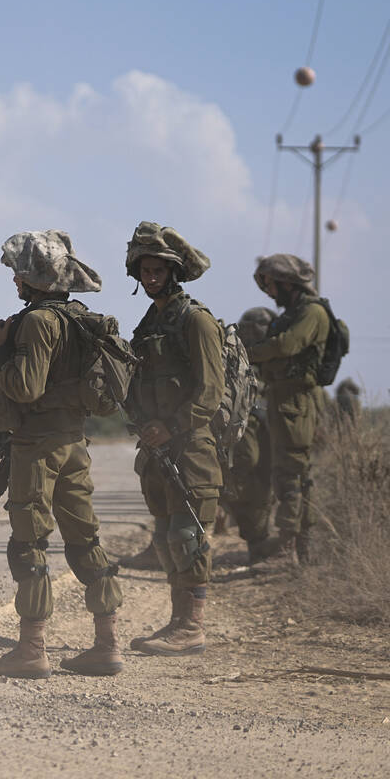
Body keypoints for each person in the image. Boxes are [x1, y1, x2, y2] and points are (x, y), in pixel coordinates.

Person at [0, 230, 124, 679]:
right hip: (74, 445)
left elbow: (26, 387)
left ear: (35, 277)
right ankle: (107, 644)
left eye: (18, 272)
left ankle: (32, 650)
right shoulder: (79, 317)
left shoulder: (38, 322)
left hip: (37, 448)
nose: (14, 280)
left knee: (29, 544)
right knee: (85, 540)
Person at [123, 222, 223, 657]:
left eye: (157, 270)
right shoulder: (149, 324)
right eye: (143, 270)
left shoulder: (195, 320)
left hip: (191, 449)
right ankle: (177, 623)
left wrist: (173, 426)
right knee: (166, 539)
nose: (149, 278)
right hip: (158, 451)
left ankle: (192, 628)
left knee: (188, 537)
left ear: (173, 272)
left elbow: (210, 391)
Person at [247, 254, 330, 564]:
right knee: (292, 474)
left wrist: (249, 353)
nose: (269, 292)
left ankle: (286, 550)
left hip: (297, 402)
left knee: (290, 476)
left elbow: (286, 345)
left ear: (285, 281)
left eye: (270, 284)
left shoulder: (312, 312)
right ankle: (300, 550)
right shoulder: (296, 312)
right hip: (286, 400)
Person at [222, 307, 276, 563]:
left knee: (262, 483)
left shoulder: (269, 355)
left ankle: (259, 545)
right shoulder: (236, 353)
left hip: (267, 425)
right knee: (243, 471)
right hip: (246, 422)